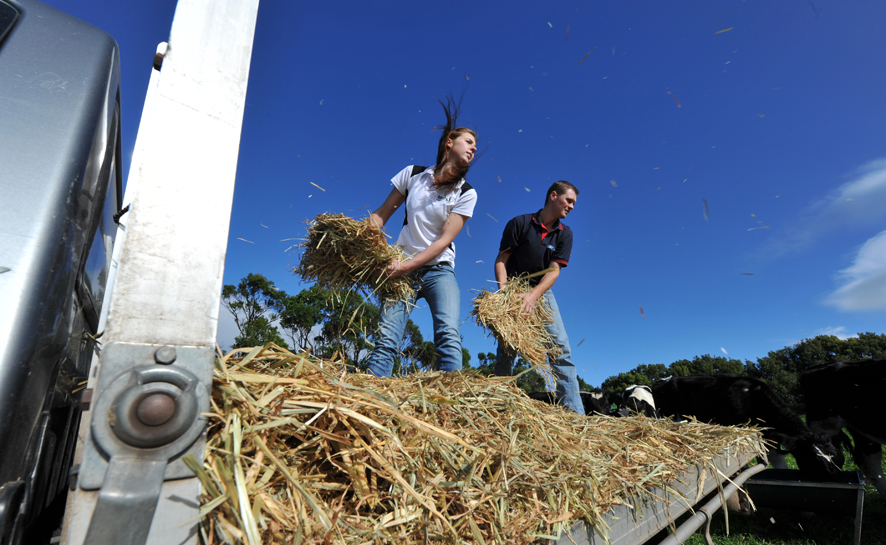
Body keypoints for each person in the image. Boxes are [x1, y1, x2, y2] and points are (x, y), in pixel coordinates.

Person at [365, 99, 478, 377]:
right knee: (387, 338)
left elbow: (442, 241)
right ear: (449, 142)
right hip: (400, 269)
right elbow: (380, 216)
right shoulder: (413, 175)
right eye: (468, 141)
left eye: (475, 145)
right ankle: (369, 397)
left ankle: (451, 404)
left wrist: (405, 266)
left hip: (438, 270)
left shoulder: (466, 193)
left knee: (448, 335)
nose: (474, 147)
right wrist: (364, 242)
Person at [493, 181, 585, 415]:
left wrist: (534, 296)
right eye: (569, 201)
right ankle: (498, 405)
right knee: (508, 347)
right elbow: (501, 261)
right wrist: (505, 295)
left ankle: (575, 415)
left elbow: (553, 271)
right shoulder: (520, 223)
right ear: (554, 196)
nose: (572, 207)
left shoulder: (565, 234)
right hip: (513, 287)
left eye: (574, 203)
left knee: (560, 349)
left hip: (542, 291)